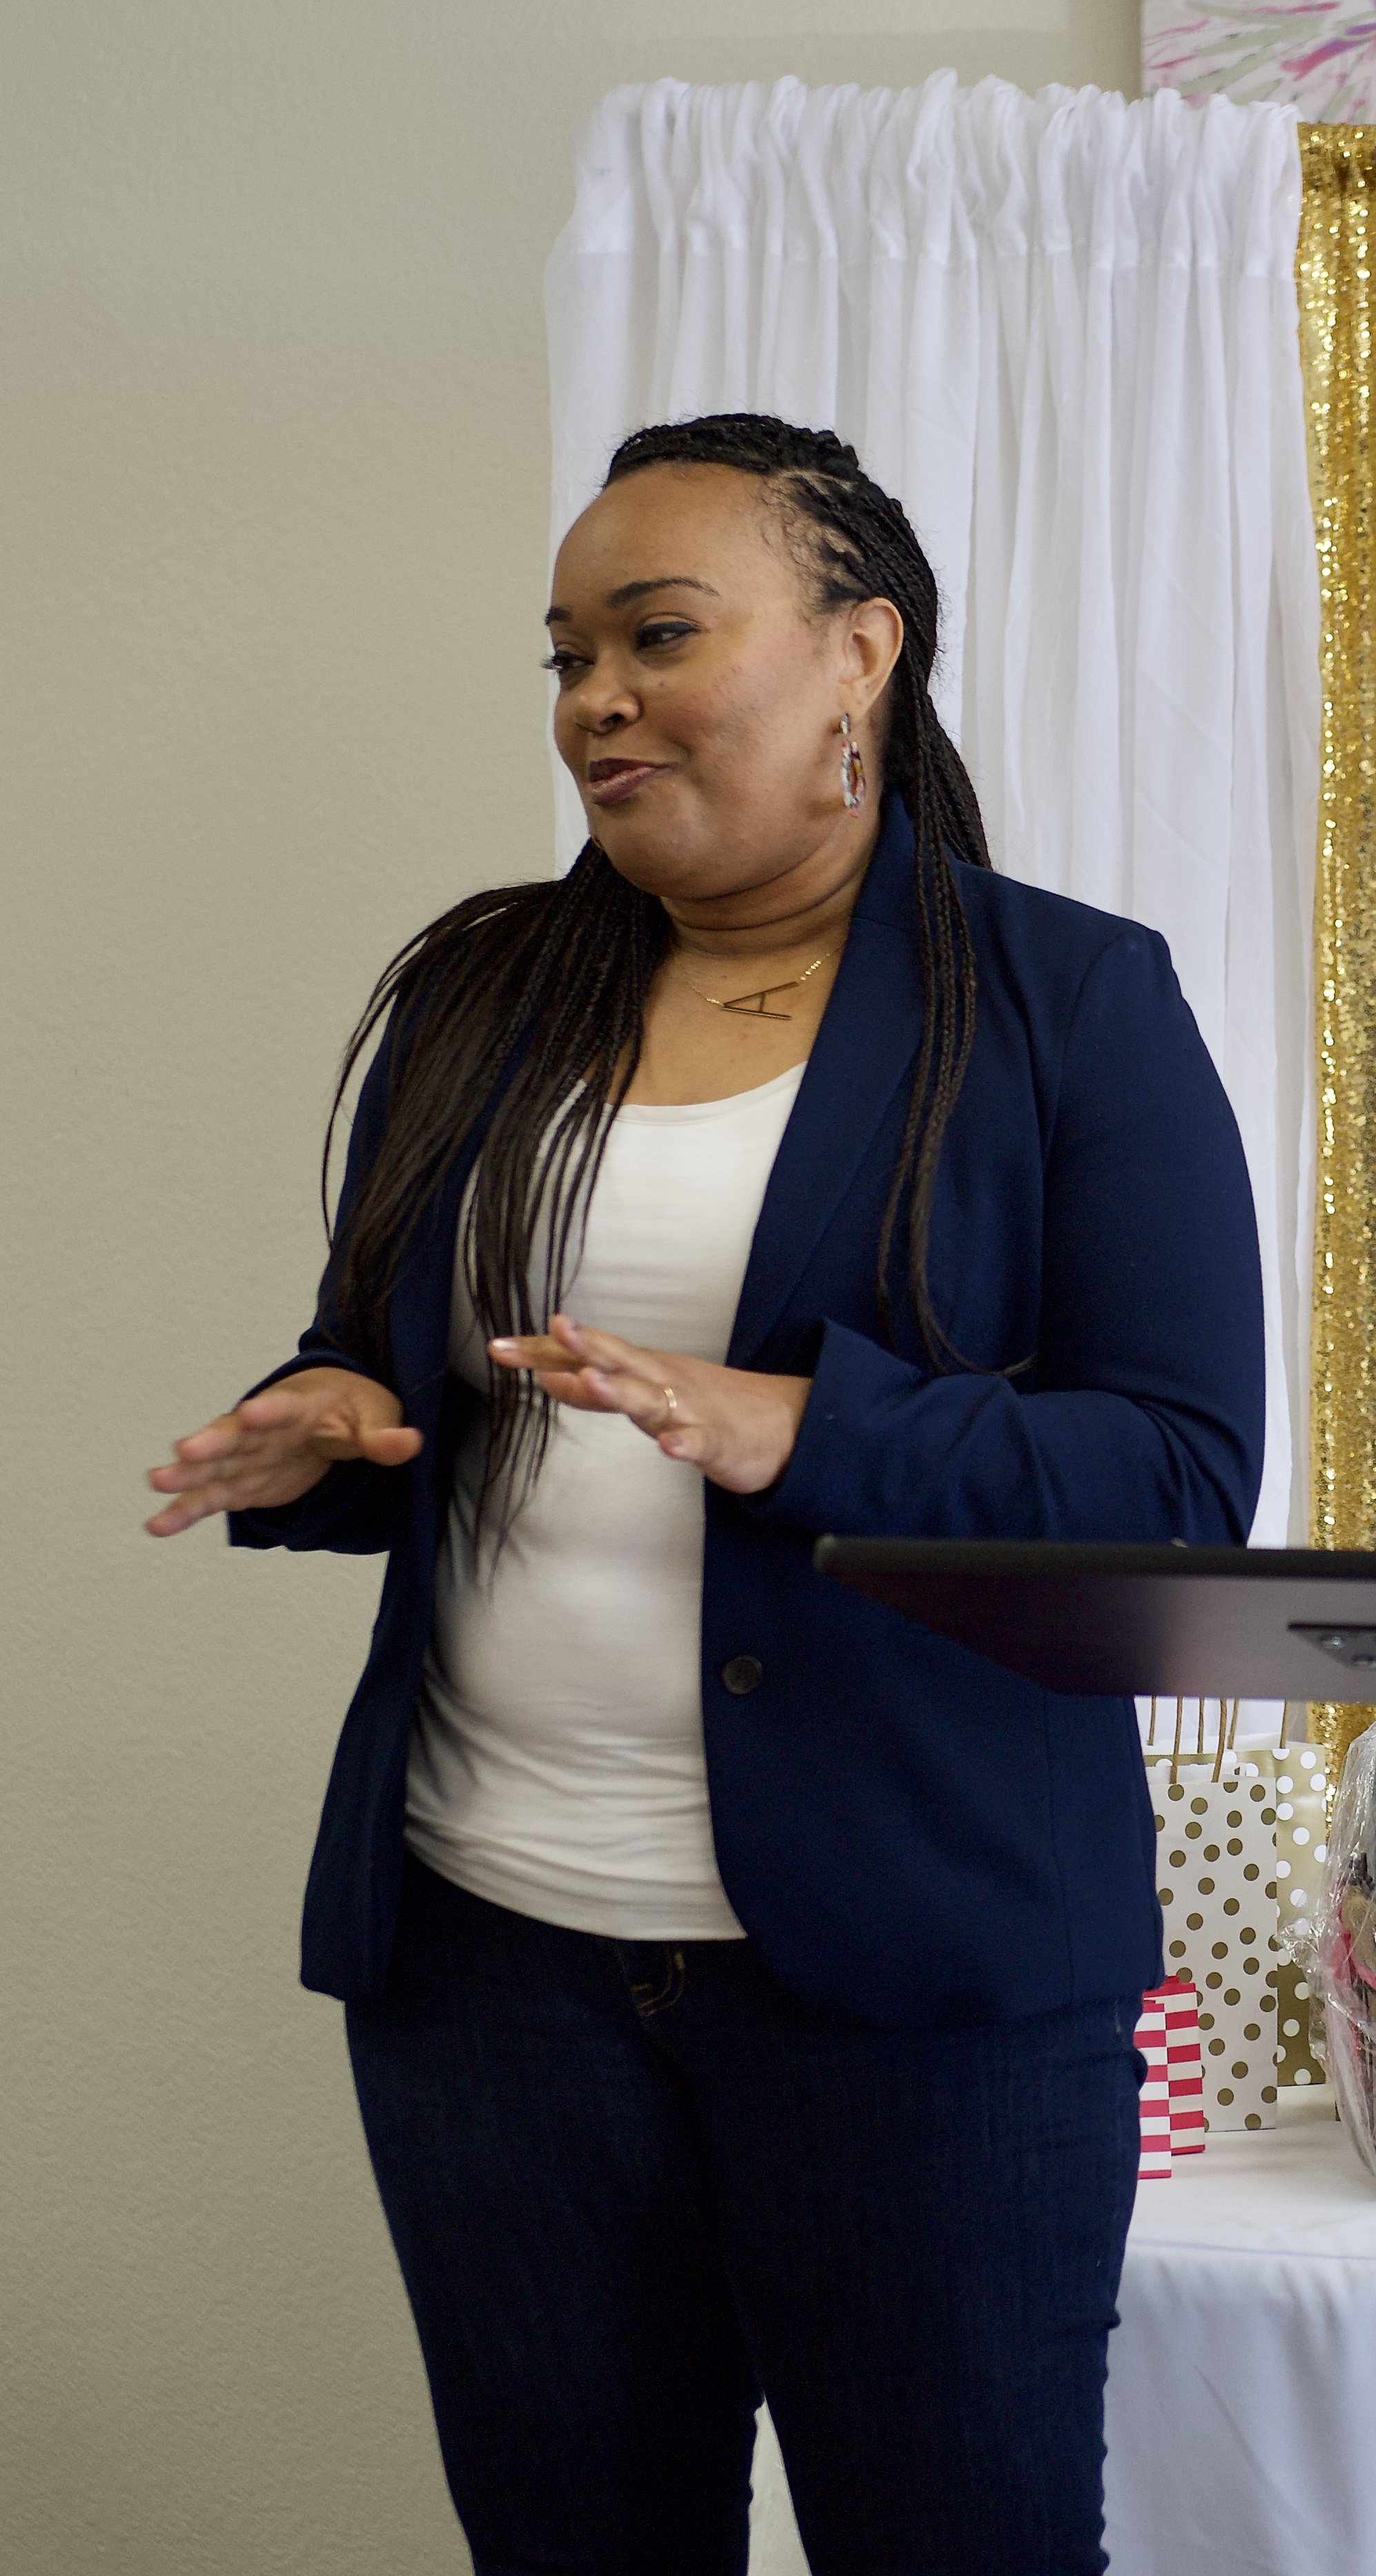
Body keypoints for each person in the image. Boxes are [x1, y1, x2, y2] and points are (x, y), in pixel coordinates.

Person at [143, 415, 1261, 2574]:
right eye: (567, 655)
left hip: (916, 1982)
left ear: (861, 654)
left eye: (660, 635)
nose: (594, 700)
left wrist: (797, 1425)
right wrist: (330, 1410)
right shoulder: (489, 990)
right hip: (490, 1968)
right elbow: (384, 1339)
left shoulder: (1065, 1002)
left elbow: (1182, 1477)